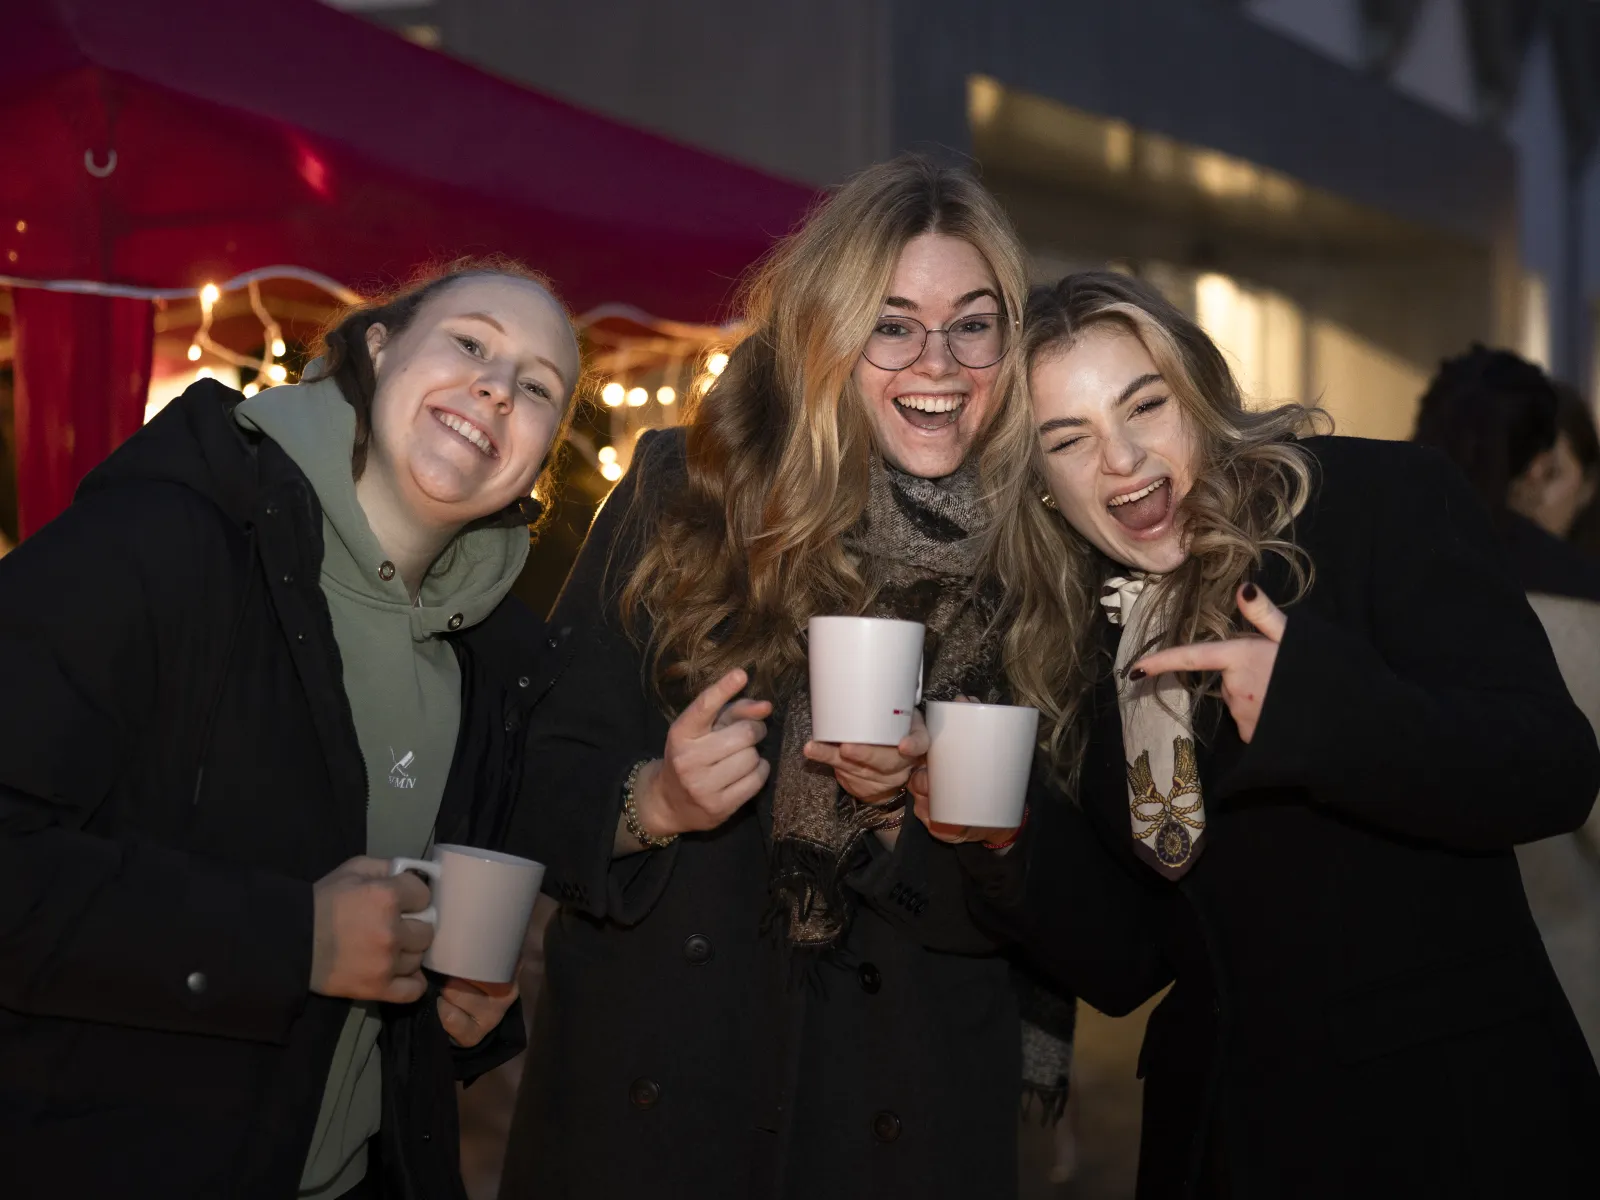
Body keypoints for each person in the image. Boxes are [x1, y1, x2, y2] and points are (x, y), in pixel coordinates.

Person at [939, 271, 1600, 1198]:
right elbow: (1135, 960)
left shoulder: (1376, 503)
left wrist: (1324, 706)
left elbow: (1551, 768)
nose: (1122, 461)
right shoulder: (1076, 644)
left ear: (1201, 396)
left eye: (1144, 406)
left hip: (1444, 1131)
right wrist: (1003, 835)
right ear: (1040, 485)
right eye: (1069, 440)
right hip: (1225, 1145)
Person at [499, 155, 1049, 1200]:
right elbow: (533, 773)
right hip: (663, 1090)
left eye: (973, 323)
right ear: (824, 336)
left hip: (901, 1105)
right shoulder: (686, 489)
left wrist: (914, 826)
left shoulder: (1040, 556)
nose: (937, 360)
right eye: (891, 323)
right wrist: (649, 802)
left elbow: (1068, 908)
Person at [0, 257, 581, 1199]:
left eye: (538, 387)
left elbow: (391, 954)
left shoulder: (489, 663)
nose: (495, 387)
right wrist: (294, 937)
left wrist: (457, 1010)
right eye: (471, 342)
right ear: (380, 347)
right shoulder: (170, 540)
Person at [1411, 348, 1600, 1062]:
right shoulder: (1575, 616)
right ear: (1540, 469)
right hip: (1564, 998)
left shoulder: (1361, 596)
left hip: (1413, 1009)